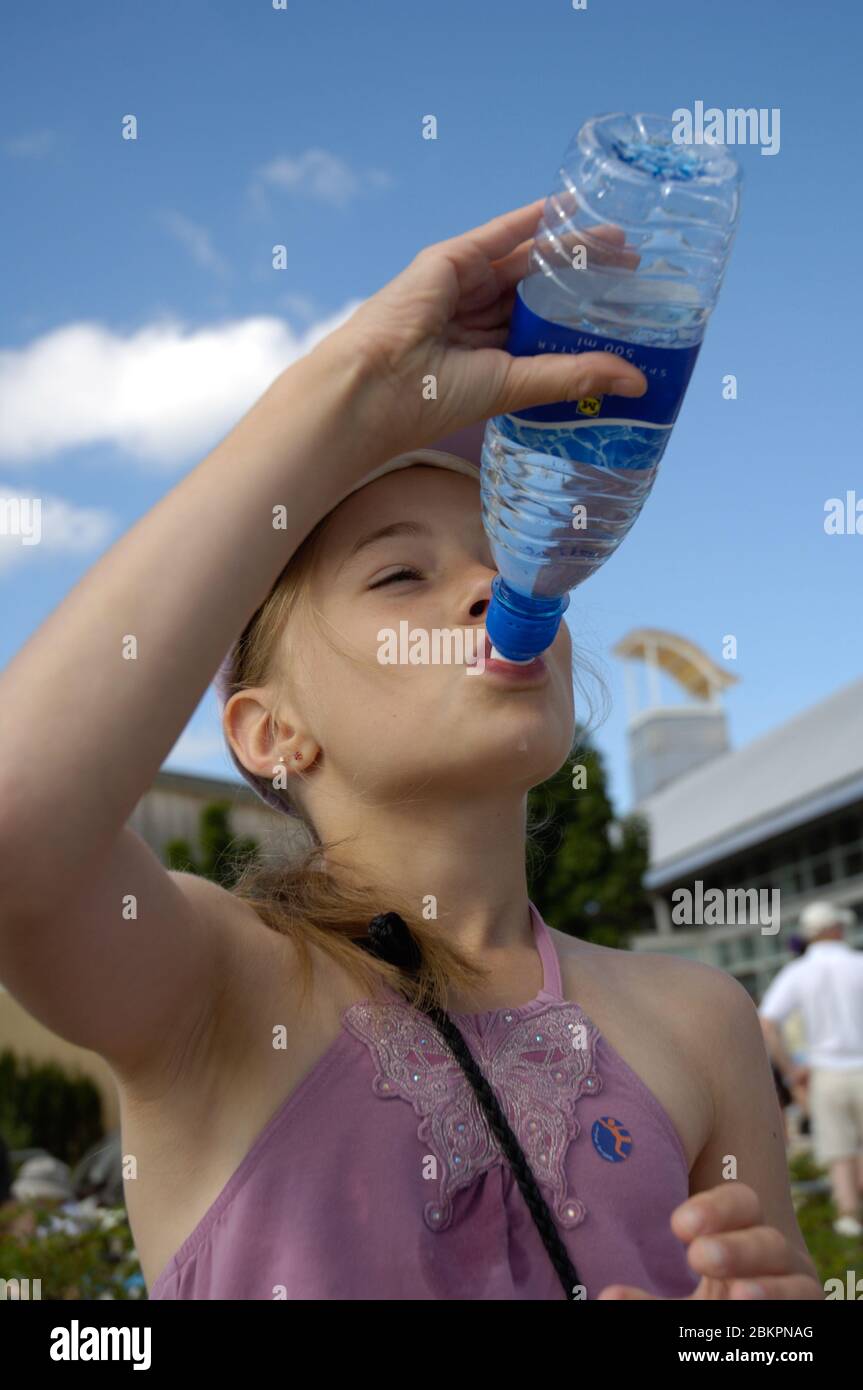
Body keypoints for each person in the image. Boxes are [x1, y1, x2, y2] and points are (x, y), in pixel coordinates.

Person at [0, 200, 821, 1300]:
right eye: (401, 574)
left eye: (511, 557)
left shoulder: (700, 1018)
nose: (496, 586)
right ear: (268, 731)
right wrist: (347, 391)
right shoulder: (217, 982)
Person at [760, 901, 863, 1237]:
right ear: (836, 929)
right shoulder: (858, 963)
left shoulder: (798, 973)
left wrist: (791, 1071)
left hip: (825, 1073)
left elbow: (767, 1022)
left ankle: (849, 1217)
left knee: (839, 1151)